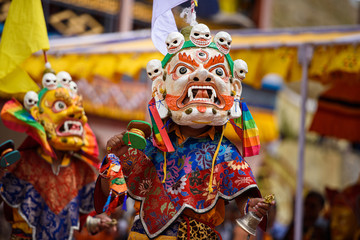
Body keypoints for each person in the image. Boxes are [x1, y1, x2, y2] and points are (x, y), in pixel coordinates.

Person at [93, 22, 275, 240]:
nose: (201, 76)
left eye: (216, 71)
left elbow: (246, 203)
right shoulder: (151, 145)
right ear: (161, 86)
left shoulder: (224, 153)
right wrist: (114, 158)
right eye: (183, 70)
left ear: (233, 89)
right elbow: (109, 195)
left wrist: (251, 206)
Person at [0, 70, 114, 239]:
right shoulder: (21, 162)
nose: (77, 114)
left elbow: (78, 218)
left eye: (78, 107)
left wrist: (96, 223)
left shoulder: (82, 171)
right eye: (61, 105)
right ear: (37, 116)